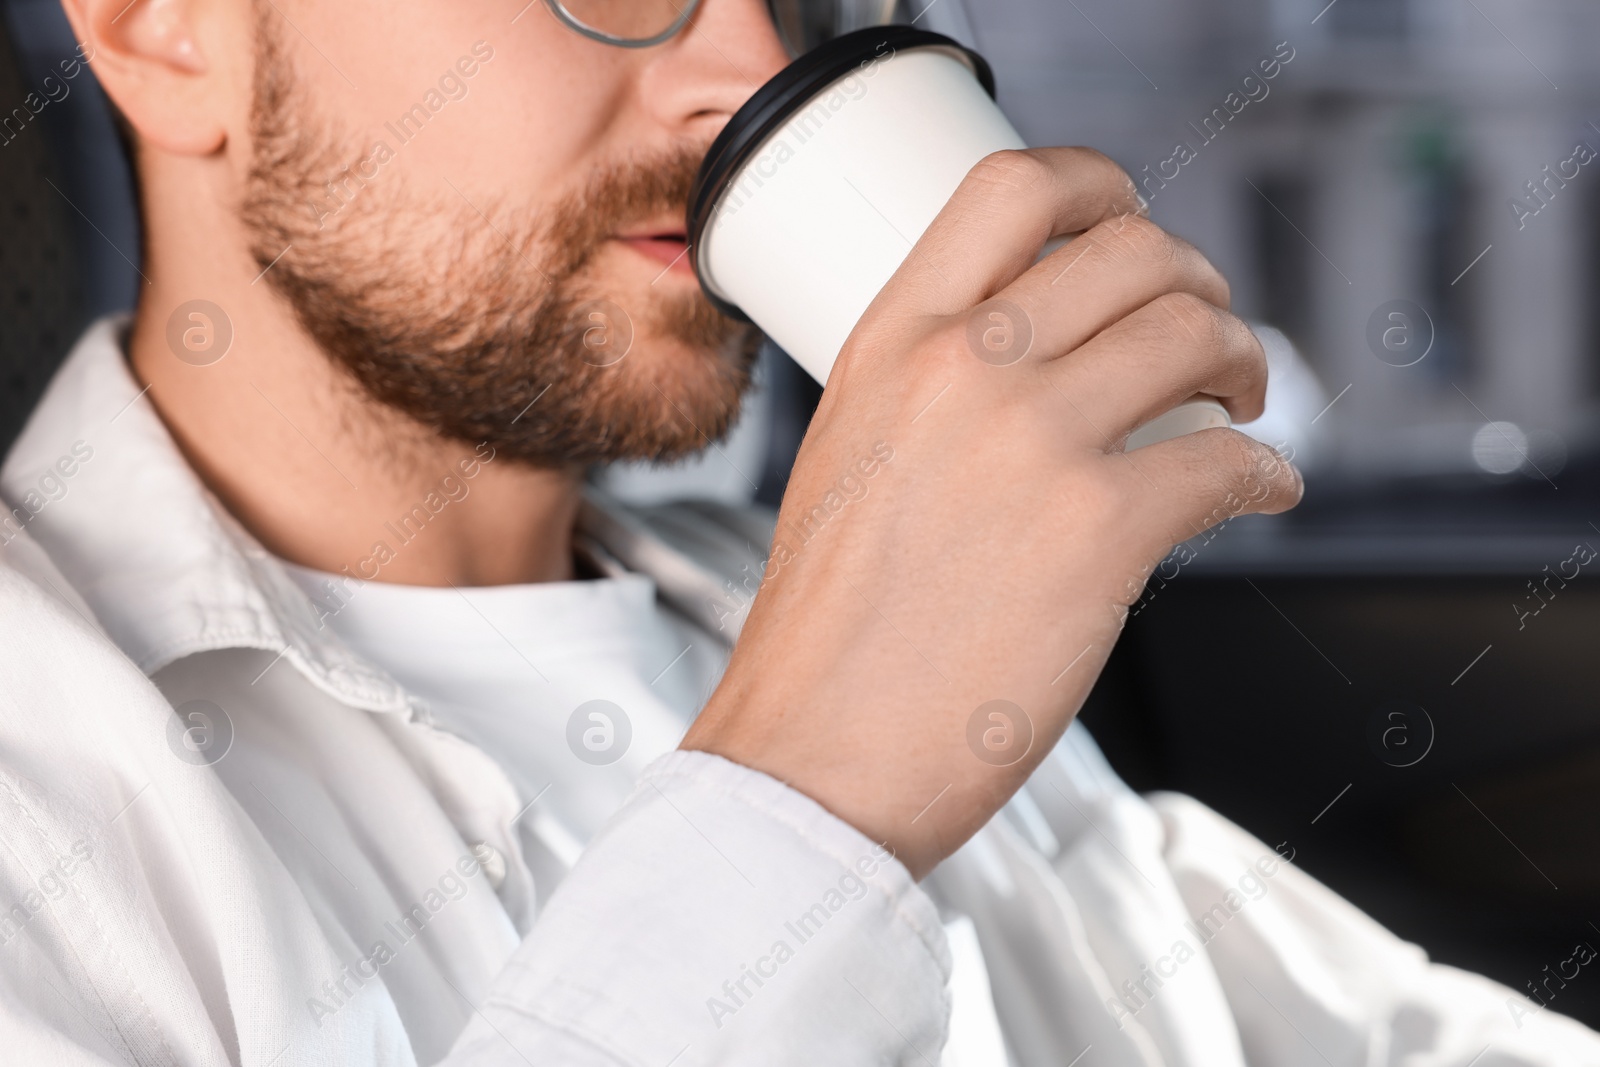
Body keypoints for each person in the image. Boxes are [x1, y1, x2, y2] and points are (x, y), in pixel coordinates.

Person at [0, 0, 1593, 1063]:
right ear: (164, 29)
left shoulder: (820, 606)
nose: (743, 68)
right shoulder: (45, 796)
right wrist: (807, 801)